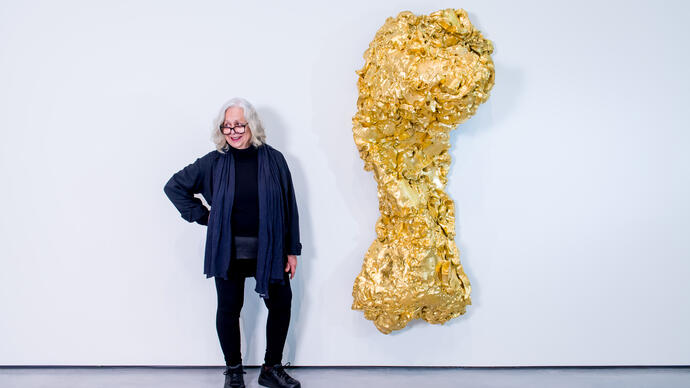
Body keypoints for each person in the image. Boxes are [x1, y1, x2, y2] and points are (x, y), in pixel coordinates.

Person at [164, 97, 302, 388]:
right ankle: (234, 371)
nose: (234, 131)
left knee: (281, 304)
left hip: (270, 248)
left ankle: (271, 368)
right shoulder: (214, 162)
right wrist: (205, 217)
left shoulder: (274, 159)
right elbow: (174, 186)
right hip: (229, 249)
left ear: (252, 125)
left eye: (239, 124)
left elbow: (289, 206)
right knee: (228, 308)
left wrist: (292, 249)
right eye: (227, 126)